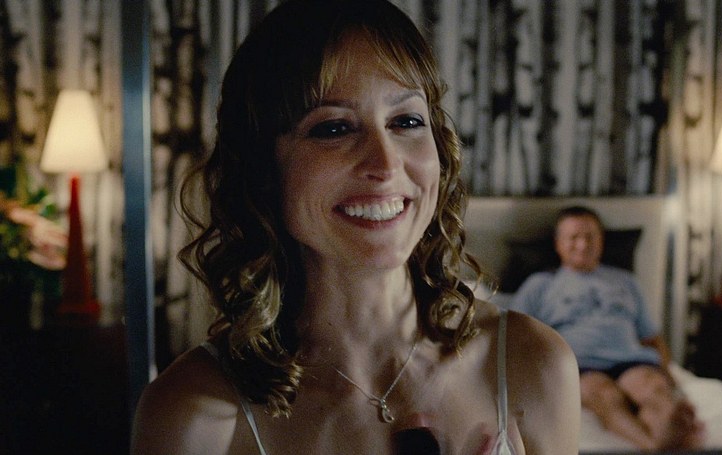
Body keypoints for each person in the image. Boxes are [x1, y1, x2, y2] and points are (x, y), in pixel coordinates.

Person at [130, 1, 580, 454]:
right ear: (263, 169)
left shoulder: (532, 365)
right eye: (334, 128)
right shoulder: (192, 415)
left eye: (406, 121)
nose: (386, 164)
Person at [509, 206, 702, 451]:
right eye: (573, 238)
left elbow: (652, 338)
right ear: (558, 244)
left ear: (601, 241)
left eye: (590, 237)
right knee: (603, 395)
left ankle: (668, 430)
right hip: (581, 365)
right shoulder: (539, 285)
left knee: (655, 390)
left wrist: (670, 377)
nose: (582, 245)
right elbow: (513, 334)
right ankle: (654, 445)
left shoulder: (626, 282)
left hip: (631, 360)